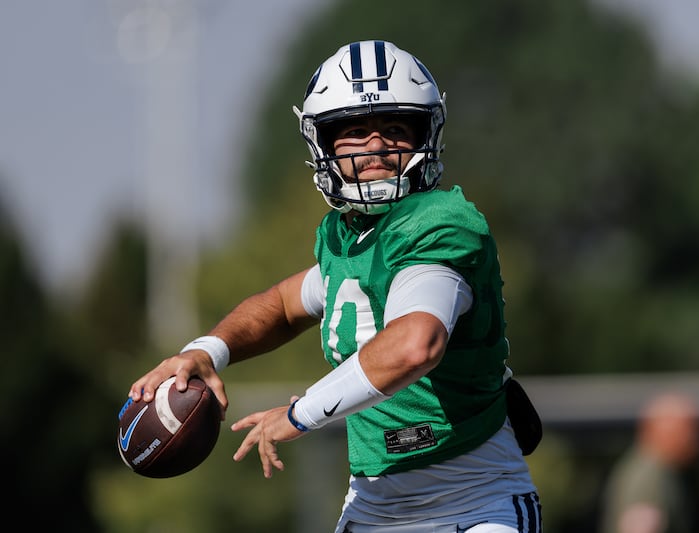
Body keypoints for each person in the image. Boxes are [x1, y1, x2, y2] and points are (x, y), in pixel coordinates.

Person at [128, 40, 542, 533]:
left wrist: (302, 413)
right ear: (324, 145)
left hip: (474, 503)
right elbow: (281, 305)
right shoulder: (346, 236)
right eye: (354, 132)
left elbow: (416, 345)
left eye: (393, 129)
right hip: (374, 508)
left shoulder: (439, 222)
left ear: (424, 134)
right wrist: (206, 351)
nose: (375, 146)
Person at [599, 392, 699, 533]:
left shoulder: (657, 470)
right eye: (688, 428)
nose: (694, 438)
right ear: (659, 428)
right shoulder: (649, 476)